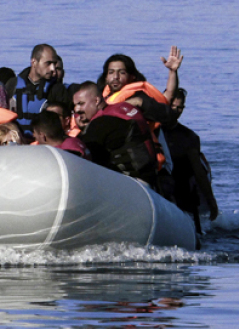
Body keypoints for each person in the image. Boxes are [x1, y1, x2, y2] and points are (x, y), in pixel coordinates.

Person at [72, 81, 161, 187]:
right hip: (151, 180)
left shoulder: (101, 123)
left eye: (81, 104)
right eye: (75, 105)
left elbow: (83, 159)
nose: (76, 109)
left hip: (132, 184)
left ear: (96, 100)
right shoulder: (124, 108)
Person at [161, 89, 218, 231]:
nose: (175, 111)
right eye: (171, 106)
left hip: (181, 191)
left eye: (179, 107)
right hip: (158, 189)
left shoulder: (189, 137)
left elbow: (199, 171)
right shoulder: (149, 129)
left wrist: (211, 201)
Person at [5, 44, 71, 127]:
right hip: (15, 136)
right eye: (48, 63)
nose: (53, 69)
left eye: (54, 64)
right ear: (34, 62)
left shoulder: (57, 89)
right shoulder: (13, 84)